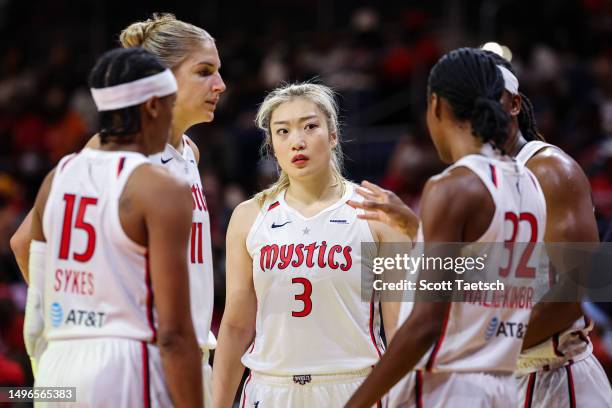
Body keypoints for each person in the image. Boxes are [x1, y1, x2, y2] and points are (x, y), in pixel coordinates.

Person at [12, 13, 225, 405]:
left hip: (116, 359)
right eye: (204, 71)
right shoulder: (113, 156)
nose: (220, 85)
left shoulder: (191, 156)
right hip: (146, 356)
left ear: (334, 137)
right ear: (159, 82)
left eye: (309, 126)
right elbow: (25, 242)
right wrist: (88, 318)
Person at [346, 47, 547, 407]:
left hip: (448, 387)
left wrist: (357, 403)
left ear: (436, 106)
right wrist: (415, 227)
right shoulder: (528, 182)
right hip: (502, 385)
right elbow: (481, 271)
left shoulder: (452, 185)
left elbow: (426, 323)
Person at [212, 82, 410, 408]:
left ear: (333, 136)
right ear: (272, 145)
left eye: (310, 126)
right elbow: (235, 325)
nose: (297, 141)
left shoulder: (377, 214)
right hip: (270, 388)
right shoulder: (249, 217)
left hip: (355, 387)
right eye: (283, 131)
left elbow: (400, 330)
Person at [489, 52, 611, 407]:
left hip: (554, 378)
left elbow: (574, 290)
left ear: (513, 105)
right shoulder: (474, 181)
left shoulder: (550, 171)